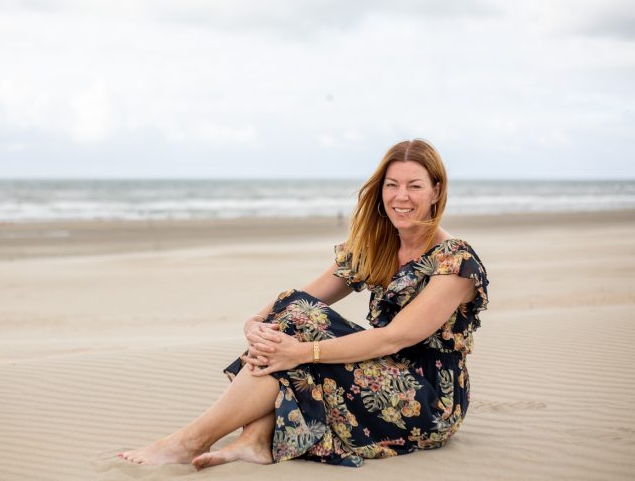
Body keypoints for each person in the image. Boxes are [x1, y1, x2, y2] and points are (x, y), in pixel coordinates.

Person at [119, 138, 489, 469]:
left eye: (414, 186)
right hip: (377, 370)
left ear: (436, 191)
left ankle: (191, 441)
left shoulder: (455, 262)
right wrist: (257, 322)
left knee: (299, 335)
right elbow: (305, 297)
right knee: (294, 315)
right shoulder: (378, 248)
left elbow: (394, 338)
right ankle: (255, 438)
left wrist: (303, 352)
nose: (400, 197)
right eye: (391, 185)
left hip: (426, 402)